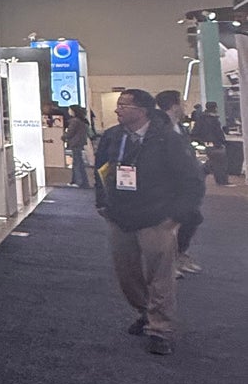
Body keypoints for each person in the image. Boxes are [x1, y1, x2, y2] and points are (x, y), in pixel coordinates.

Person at [93, 87, 202, 356]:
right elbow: (101, 170)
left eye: (124, 105)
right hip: (120, 216)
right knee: (127, 274)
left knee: (160, 276)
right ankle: (146, 311)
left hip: (157, 217)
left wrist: (176, 216)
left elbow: (192, 181)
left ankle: (160, 329)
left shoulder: (168, 140)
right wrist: (103, 203)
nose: (117, 109)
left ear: (142, 110)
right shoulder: (113, 136)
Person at [156, 91, 206, 274]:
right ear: (174, 105)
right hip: (170, 186)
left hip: (187, 184)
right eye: (182, 103)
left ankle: (179, 255)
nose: (185, 106)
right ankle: (168, 262)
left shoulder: (179, 127)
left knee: (191, 218)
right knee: (171, 223)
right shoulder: (160, 127)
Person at [189, 101, 230, 186]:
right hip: (216, 144)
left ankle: (218, 180)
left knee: (213, 162)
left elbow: (195, 132)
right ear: (215, 108)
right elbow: (218, 133)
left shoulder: (201, 119)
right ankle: (222, 181)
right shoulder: (214, 120)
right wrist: (223, 141)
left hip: (205, 144)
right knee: (220, 163)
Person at [63, 108, 92, 188]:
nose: (68, 111)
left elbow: (70, 133)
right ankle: (81, 181)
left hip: (75, 143)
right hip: (79, 143)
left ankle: (78, 181)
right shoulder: (82, 121)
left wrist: (64, 137)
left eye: (70, 110)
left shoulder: (74, 121)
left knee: (77, 163)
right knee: (79, 162)